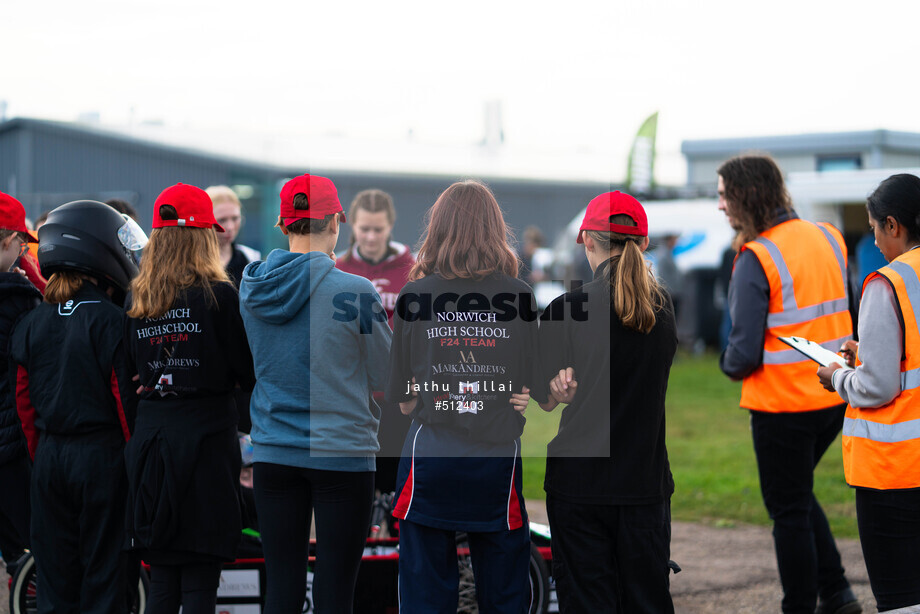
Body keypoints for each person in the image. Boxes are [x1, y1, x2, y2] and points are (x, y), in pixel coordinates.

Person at [518, 191, 678, 613]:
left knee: (588, 603)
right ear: (643, 244)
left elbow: (547, 402)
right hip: (643, 484)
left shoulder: (565, 309)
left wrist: (557, 390)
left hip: (580, 485)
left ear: (587, 240)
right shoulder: (661, 311)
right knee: (647, 601)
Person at [239, 174, 391, 614]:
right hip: (341, 450)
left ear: (283, 226)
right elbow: (387, 371)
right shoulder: (356, 291)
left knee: (282, 588)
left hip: (273, 451)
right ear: (337, 222)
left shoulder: (251, 291)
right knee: (335, 589)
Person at [385, 180, 537, 613]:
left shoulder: (415, 296)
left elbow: (401, 395)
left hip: (430, 462)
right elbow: (527, 385)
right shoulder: (520, 297)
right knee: (506, 593)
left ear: (437, 229)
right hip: (495, 464)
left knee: (424, 595)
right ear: (495, 230)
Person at [718, 155, 860, 614]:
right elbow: (849, 309)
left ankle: (801, 605)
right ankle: (837, 592)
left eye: (723, 195)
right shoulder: (829, 236)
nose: (720, 205)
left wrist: (725, 363)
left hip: (782, 407)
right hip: (834, 395)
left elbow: (741, 356)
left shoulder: (755, 256)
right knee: (796, 495)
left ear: (745, 195)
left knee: (788, 510)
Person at [123, 183, 255, 614]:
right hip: (206, 445)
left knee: (161, 577)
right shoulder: (220, 297)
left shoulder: (137, 297)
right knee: (200, 582)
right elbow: (248, 372)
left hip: (153, 441)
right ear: (203, 236)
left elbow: (131, 373)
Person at [10, 200, 145, 613]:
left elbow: (25, 408)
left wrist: (46, 458)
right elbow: (125, 408)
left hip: (49, 462)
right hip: (102, 461)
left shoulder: (32, 322)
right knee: (105, 580)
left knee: (55, 581)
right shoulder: (111, 321)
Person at [816, 173, 920, 613]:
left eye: (875, 227)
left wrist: (837, 374)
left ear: (893, 225)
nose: (874, 239)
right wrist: (874, 350)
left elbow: (877, 386)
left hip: (895, 471)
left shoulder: (887, 282)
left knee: (901, 598)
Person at [335, 188, 414, 495]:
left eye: (378, 229)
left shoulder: (412, 270)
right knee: (357, 487)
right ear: (351, 225)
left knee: (398, 483)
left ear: (390, 226)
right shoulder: (338, 269)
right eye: (364, 229)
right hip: (354, 398)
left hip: (399, 398)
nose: (370, 236)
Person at [0, 192, 40, 580]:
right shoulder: (19, 299)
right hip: (12, 444)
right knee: (40, 546)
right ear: (11, 240)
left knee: (14, 554)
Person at [206, 185, 261, 287]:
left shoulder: (250, 258)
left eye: (235, 218)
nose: (230, 227)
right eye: (222, 220)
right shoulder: (193, 261)